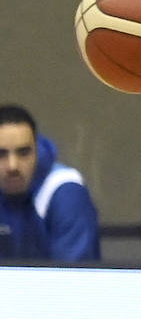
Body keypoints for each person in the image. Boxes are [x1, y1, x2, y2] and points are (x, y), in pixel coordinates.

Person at [0, 105, 100, 262]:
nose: (13, 166)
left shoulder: (65, 191)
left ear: (36, 150)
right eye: (1, 154)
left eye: (24, 152)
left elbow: (72, 280)